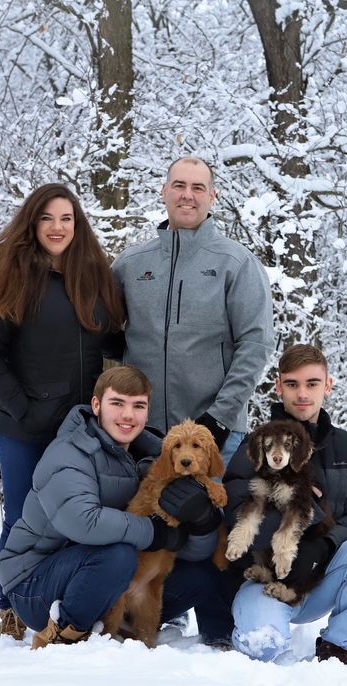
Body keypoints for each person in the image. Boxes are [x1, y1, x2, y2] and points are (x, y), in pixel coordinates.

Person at [0, 183, 125, 640]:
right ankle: (10, 606)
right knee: (23, 515)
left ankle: (70, 600)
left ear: (78, 226)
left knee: (79, 513)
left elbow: (114, 343)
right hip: (25, 426)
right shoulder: (13, 276)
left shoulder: (97, 278)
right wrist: (21, 408)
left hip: (82, 429)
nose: (57, 228)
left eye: (67, 219)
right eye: (47, 219)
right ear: (32, 223)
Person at [0, 366, 230, 648]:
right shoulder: (68, 452)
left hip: (111, 578)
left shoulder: (157, 454)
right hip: (34, 584)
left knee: (199, 575)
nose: (128, 415)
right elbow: (84, 521)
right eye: (117, 403)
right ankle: (66, 631)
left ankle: (128, 630)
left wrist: (202, 520)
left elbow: (181, 539)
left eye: (138, 406)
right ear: (96, 405)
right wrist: (155, 532)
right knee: (118, 556)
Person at [221, 344, 347, 664]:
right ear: (279, 386)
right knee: (263, 648)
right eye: (292, 384)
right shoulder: (257, 444)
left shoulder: (345, 447)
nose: (302, 394)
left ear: (327, 386)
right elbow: (235, 513)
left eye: (312, 383)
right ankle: (260, 628)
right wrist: (297, 528)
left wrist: (322, 547)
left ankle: (337, 644)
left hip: (319, 577)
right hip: (265, 578)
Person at [112, 156, 275, 465]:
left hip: (213, 437)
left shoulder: (237, 263)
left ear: (212, 196)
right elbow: (102, 336)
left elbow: (255, 346)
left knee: (208, 514)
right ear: (164, 192)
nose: (187, 195)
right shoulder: (130, 265)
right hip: (139, 435)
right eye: (179, 185)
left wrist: (220, 419)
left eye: (198, 187)